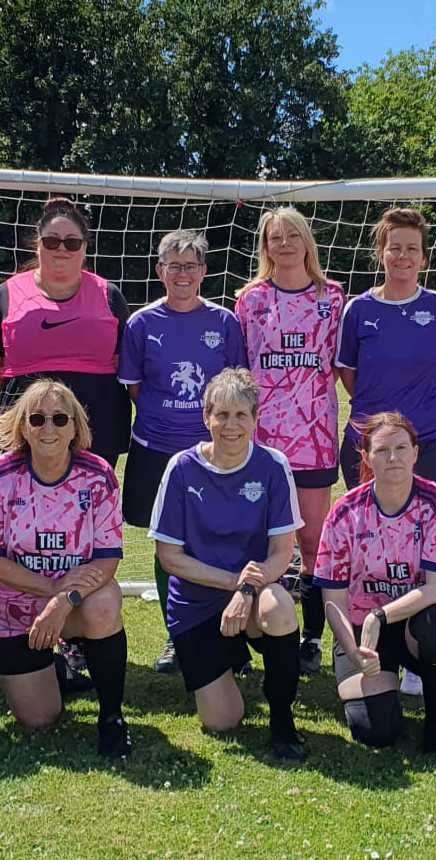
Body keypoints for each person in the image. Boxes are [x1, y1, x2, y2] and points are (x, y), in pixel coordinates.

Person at [150, 368, 307, 761]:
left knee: (280, 607)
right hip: (197, 606)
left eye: (241, 415)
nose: (231, 425)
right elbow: (170, 558)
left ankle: (283, 725)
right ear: (206, 418)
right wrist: (236, 584)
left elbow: (281, 553)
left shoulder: (273, 465)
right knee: (223, 721)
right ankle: (228, 660)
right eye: (222, 414)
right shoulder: (181, 468)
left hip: (253, 596)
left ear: (256, 419)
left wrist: (248, 591)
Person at [0, 379, 132, 757]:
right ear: (22, 425)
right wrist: (51, 590)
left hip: (73, 603)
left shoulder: (98, 475)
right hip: (10, 608)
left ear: (76, 426)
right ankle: (57, 668)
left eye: (60, 419)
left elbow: (108, 557)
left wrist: (63, 603)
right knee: (39, 718)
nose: (48, 429)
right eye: (37, 418)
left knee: (105, 603)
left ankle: (112, 718)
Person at [119, 229, 245, 674]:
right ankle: (178, 636)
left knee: (217, 539)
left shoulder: (225, 322)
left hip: (213, 452)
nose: (183, 274)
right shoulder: (141, 324)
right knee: (166, 546)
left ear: (204, 272)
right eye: (174, 265)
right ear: (160, 271)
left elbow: (236, 386)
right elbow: (135, 386)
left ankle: (230, 635)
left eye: (191, 265)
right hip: (155, 448)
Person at [234, 207, 346, 675]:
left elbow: (346, 366)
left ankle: (312, 637)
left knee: (313, 539)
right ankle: (247, 628)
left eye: (292, 236)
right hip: (260, 442)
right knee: (253, 538)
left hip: (315, 437)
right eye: (274, 238)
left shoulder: (334, 298)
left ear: (307, 242)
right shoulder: (250, 299)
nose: (284, 245)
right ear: (265, 247)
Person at [314, 412, 436, 754]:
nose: (393, 457)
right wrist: (352, 648)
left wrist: (379, 616)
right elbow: (333, 598)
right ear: (366, 457)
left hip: (413, 625)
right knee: (376, 731)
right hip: (360, 636)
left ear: (415, 452)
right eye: (382, 450)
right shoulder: (344, 512)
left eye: (401, 447)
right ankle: (380, 690)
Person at [0, 197, 130, 465]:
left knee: (89, 503)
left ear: (84, 248)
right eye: (51, 241)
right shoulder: (6, 295)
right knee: (25, 503)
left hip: (98, 425)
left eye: (72, 242)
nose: (62, 249)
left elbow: (125, 359)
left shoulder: (110, 295)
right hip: (29, 423)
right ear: (37, 245)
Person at [337, 207, 436, 497]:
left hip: (433, 438)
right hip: (369, 441)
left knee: (432, 532)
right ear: (381, 254)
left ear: (423, 257)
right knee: (372, 532)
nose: (403, 255)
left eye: (412, 248)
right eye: (394, 248)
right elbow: (348, 375)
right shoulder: (357, 309)